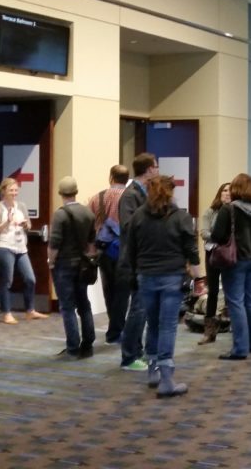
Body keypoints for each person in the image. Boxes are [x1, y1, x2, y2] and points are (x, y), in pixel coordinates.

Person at [126, 175, 200, 397]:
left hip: (146, 276)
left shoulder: (139, 217)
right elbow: (191, 251)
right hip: (172, 277)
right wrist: (199, 278)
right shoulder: (180, 217)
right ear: (171, 193)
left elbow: (131, 250)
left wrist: (134, 272)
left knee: (153, 324)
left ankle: (153, 371)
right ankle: (167, 379)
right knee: (168, 326)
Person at [210, 173, 251, 360]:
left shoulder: (228, 210)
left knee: (235, 302)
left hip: (234, 261)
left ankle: (239, 348)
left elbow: (217, 235)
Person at [47, 176, 96, 360]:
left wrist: (50, 262)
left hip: (64, 265)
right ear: (76, 192)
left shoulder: (60, 215)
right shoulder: (88, 213)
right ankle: (88, 344)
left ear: (61, 193)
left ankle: (73, 347)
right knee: (84, 304)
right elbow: (92, 244)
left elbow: (54, 244)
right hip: (82, 264)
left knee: (67, 307)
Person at [118, 153, 159, 372]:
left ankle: (138, 351)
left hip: (146, 259)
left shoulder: (147, 193)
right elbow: (128, 227)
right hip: (134, 261)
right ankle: (128, 357)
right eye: (156, 167)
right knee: (138, 309)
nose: (158, 171)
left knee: (142, 309)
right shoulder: (130, 195)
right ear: (148, 170)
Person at [0, 177, 47, 323]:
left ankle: (30, 310)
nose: (14, 193)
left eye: (15, 190)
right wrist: (6, 222)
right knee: (7, 280)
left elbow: (29, 225)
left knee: (30, 278)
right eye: (11, 190)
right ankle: (7, 313)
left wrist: (26, 224)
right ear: (4, 191)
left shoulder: (22, 206)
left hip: (21, 247)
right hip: (5, 246)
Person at [89, 165, 130, 344]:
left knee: (109, 289)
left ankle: (113, 328)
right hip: (126, 249)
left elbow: (88, 221)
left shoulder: (97, 197)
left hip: (104, 249)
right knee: (123, 291)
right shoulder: (132, 197)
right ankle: (117, 329)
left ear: (111, 177)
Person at [197, 182, 231, 345]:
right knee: (213, 292)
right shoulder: (210, 212)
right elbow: (204, 233)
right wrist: (220, 238)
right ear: (219, 193)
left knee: (231, 290)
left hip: (230, 254)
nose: (227, 193)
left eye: (230, 191)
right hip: (213, 254)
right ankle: (209, 331)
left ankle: (231, 325)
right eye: (224, 190)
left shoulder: (235, 211)